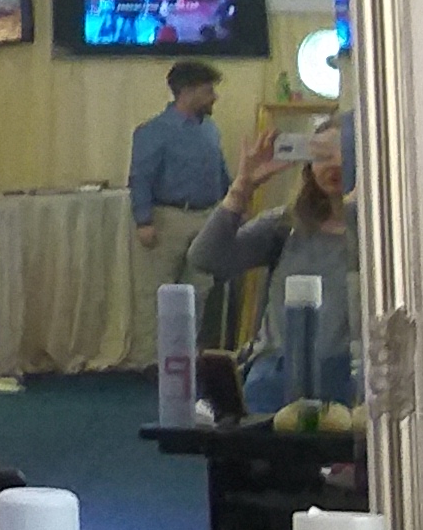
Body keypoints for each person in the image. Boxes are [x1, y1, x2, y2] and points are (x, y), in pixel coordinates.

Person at [189, 116, 363, 412]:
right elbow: (206, 258)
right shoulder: (286, 225)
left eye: (344, 152)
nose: (334, 164)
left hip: (346, 380)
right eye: (322, 155)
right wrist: (242, 187)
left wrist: (355, 203)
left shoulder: (380, 236)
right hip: (274, 378)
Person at [127, 56, 236, 344]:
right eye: (208, 90)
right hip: (168, 220)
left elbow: (221, 173)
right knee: (157, 293)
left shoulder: (210, 129)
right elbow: (141, 177)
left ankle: (187, 355)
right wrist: (143, 221)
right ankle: (151, 359)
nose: (214, 97)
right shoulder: (153, 131)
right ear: (187, 92)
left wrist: (233, 208)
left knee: (198, 291)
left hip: (207, 218)